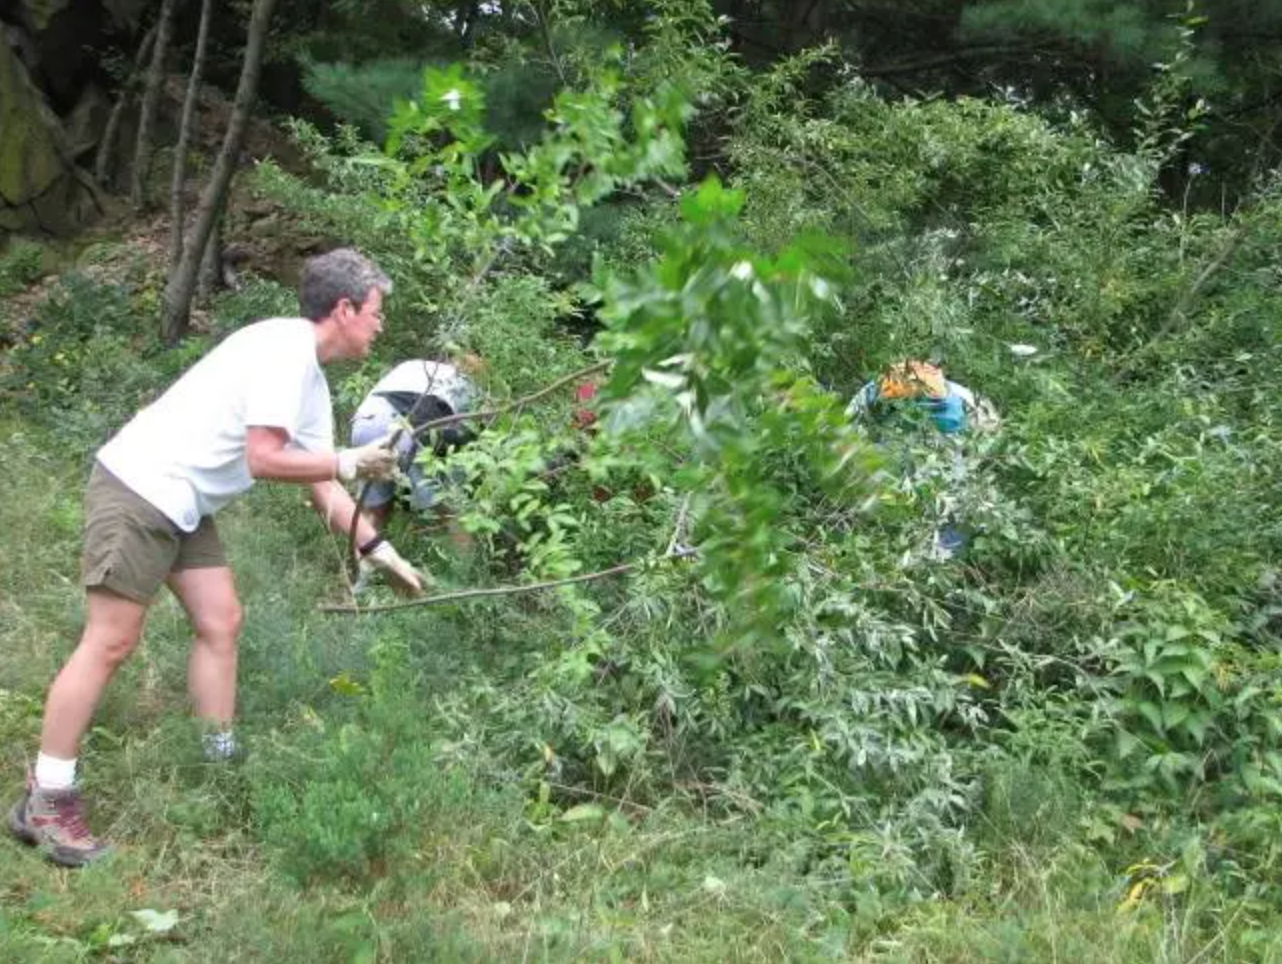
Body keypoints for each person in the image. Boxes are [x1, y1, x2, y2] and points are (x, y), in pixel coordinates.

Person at [7, 248, 425, 868]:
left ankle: (216, 758)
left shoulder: (308, 375)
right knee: (111, 641)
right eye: (376, 311)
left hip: (184, 503)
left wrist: (379, 549)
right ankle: (47, 798)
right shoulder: (283, 353)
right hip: (141, 488)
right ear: (344, 308)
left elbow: (321, 486)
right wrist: (347, 458)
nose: (381, 324)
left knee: (221, 619)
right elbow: (266, 459)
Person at [846, 359, 998, 558]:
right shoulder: (871, 394)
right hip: (889, 452)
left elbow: (990, 430)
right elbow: (846, 431)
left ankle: (941, 559)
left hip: (945, 457)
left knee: (949, 505)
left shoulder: (963, 401)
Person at [348, 355, 481, 530]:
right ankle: (465, 555)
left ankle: (361, 554)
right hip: (407, 430)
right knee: (452, 511)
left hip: (364, 425)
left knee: (374, 511)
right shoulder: (466, 384)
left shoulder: (412, 365)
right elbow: (468, 432)